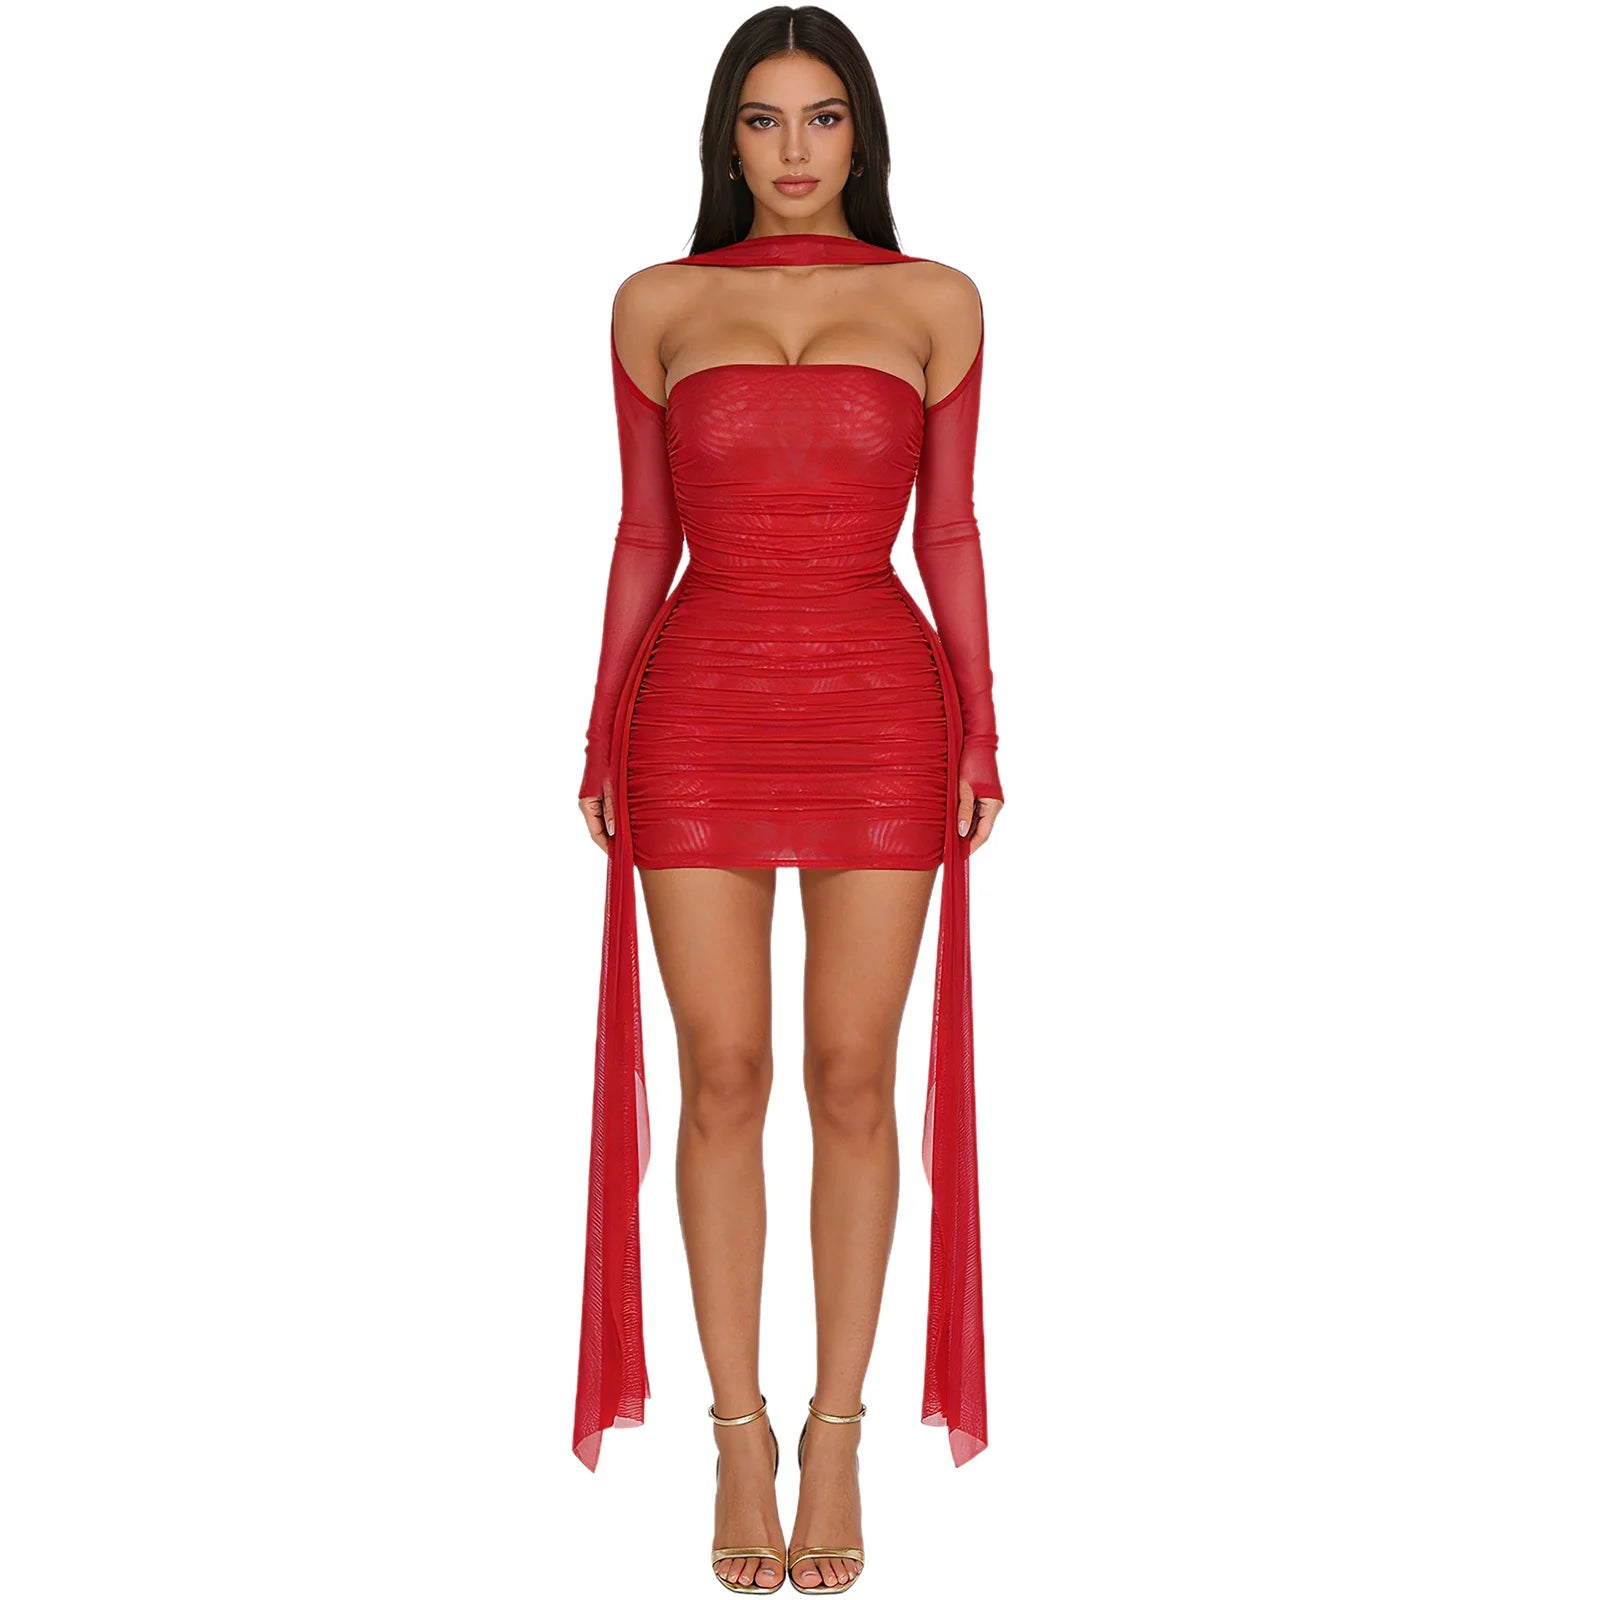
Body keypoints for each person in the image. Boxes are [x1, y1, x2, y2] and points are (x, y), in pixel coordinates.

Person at [573, 9, 1006, 1592]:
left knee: (851, 1077)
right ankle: (736, 1433)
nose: (796, 149)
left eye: (823, 117)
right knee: (723, 1075)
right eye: (764, 120)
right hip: (698, 704)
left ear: (862, 134)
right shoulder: (657, 303)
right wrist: (601, 724)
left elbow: (948, 530)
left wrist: (982, 725)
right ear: (727, 140)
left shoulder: (937, 300)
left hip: (882, 707)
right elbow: (643, 532)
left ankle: (837, 1431)